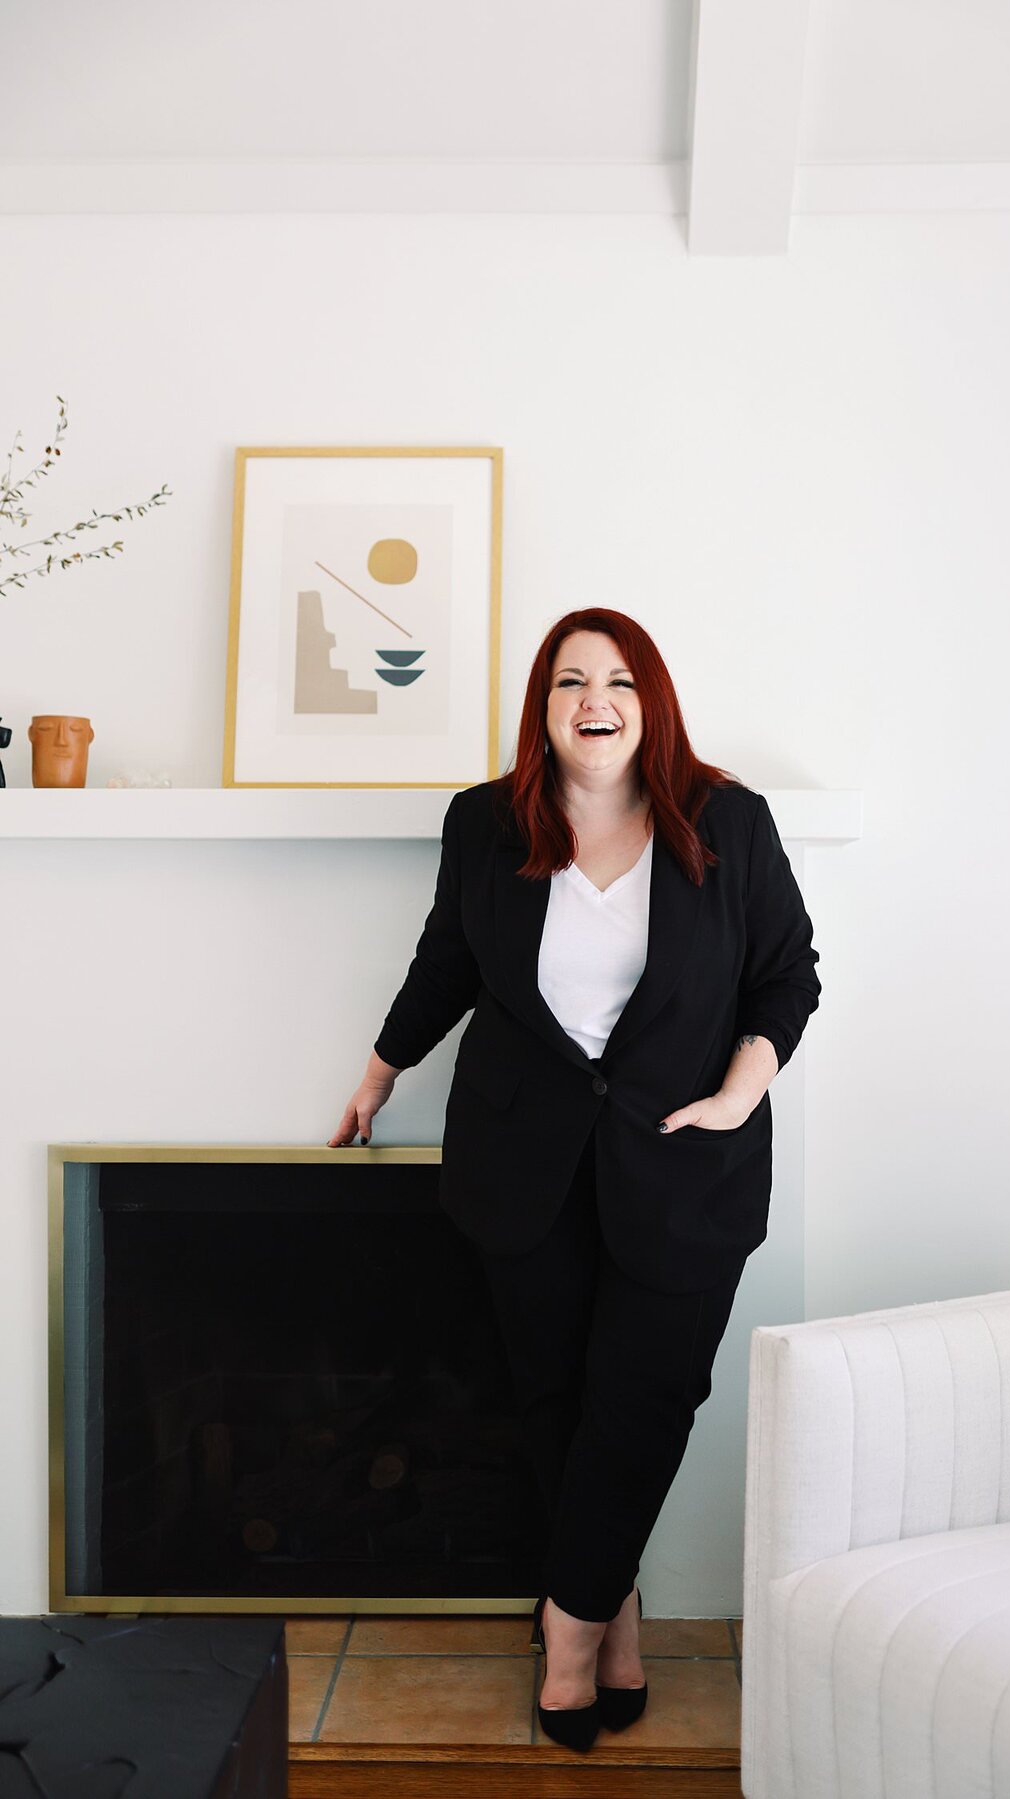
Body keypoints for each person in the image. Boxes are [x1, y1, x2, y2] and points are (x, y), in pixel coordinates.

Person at [329, 607, 820, 1751]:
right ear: (542, 708)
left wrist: (745, 1087)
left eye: (616, 680)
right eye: (568, 681)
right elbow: (446, 955)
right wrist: (378, 1068)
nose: (593, 699)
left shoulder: (726, 821)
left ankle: (566, 1620)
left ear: (650, 702)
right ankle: (618, 1612)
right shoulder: (485, 823)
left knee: (649, 1400)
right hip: (522, 1165)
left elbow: (787, 973)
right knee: (553, 1401)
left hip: (687, 1166)